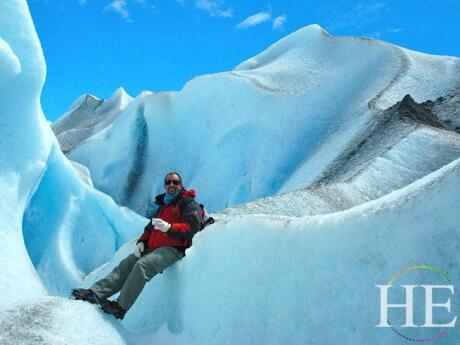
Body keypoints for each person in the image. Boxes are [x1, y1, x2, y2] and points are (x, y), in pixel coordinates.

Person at [71, 172, 202, 319]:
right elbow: (150, 228)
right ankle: (96, 293)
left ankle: (120, 307)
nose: (172, 184)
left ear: (181, 185)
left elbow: (193, 226)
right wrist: (142, 242)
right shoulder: (164, 205)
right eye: (169, 182)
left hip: (173, 249)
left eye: (175, 182)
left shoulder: (187, 203)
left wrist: (170, 228)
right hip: (152, 248)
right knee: (126, 264)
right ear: (165, 185)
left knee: (142, 266)